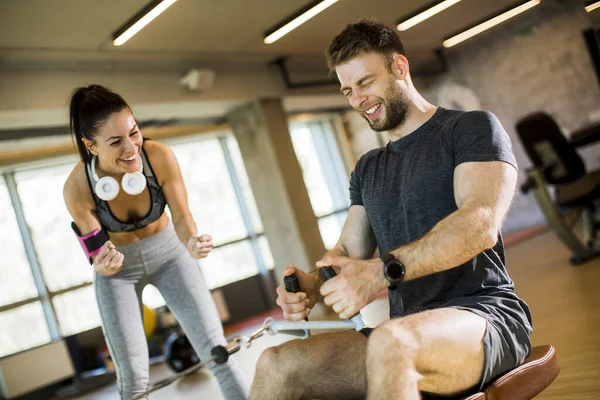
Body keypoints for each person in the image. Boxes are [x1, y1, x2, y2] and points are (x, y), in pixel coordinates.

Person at [249, 19, 533, 400]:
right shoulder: (368, 167)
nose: (357, 99)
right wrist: (313, 285)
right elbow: (348, 253)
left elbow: (477, 225)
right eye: (348, 90)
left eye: (365, 83)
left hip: (483, 316)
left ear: (400, 67)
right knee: (276, 364)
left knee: (391, 342)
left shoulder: (470, 129)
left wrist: (383, 273)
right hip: (402, 329)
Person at [63, 84, 249, 400]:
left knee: (218, 352)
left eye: (134, 133)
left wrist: (191, 242)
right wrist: (103, 264)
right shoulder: (78, 187)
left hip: (172, 253)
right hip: (118, 273)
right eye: (115, 141)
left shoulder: (159, 156)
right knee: (134, 379)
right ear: (90, 145)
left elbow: (181, 216)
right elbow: (96, 252)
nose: (131, 147)